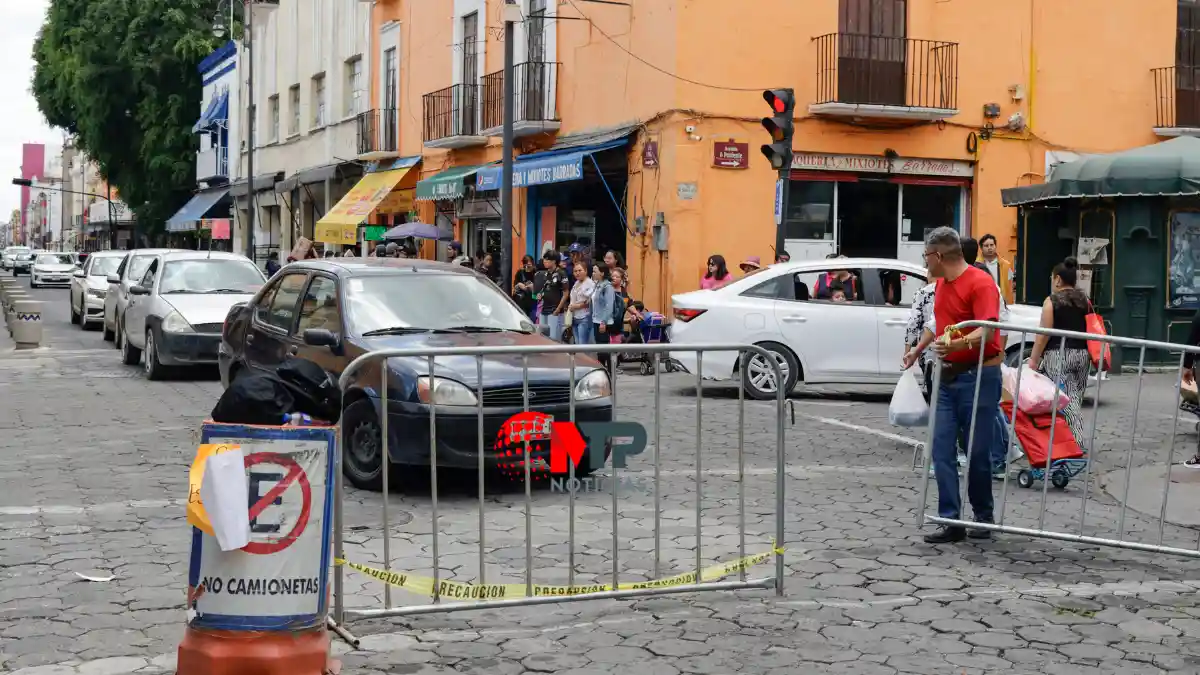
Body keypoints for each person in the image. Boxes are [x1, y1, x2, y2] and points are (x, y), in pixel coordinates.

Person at [901, 226, 1002, 544]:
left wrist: (958, 346)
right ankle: (951, 520)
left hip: (979, 377)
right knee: (941, 448)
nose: (924, 262)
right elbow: (939, 323)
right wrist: (918, 348)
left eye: (926, 256)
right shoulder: (941, 285)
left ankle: (983, 516)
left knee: (976, 451)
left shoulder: (981, 283)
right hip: (946, 377)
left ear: (939, 255)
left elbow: (987, 330)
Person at [1028, 257, 1091, 454]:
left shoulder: (1051, 301)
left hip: (1058, 355)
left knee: (1066, 401)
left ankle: (1077, 442)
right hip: (1082, 355)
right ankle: (1065, 438)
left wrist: (1033, 359)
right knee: (1074, 398)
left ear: (1057, 280)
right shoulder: (1085, 301)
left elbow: (1043, 334)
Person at [539, 251, 570, 341]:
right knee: (543, 337)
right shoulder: (546, 273)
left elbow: (566, 293)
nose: (544, 261)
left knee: (553, 339)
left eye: (547, 259)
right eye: (544, 259)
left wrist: (558, 309)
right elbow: (545, 288)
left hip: (555, 310)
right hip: (544, 309)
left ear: (554, 261)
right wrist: (540, 294)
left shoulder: (561, 273)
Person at [590, 263, 615, 370]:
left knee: (604, 348)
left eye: (595, 271)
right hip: (596, 319)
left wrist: (603, 322)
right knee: (600, 348)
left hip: (603, 321)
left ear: (602, 273)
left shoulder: (607, 287)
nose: (593, 273)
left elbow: (609, 306)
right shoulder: (597, 285)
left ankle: (608, 370)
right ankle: (602, 369)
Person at [979, 233, 1016, 305]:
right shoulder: (977, 264)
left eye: (992, 245)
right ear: (981, 248)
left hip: (1001, 304)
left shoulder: (1006, 265)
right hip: (983, 302)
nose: (989, 248)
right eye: (986, 246)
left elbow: (1010, 286)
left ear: (995, 246)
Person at [568, 261, 595, 345]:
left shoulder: (590, 283)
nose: (577, 273)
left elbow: (590, 301)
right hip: (574, 317)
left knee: (582, 344)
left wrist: (577, 306)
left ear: (586, 271)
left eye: (580, 270)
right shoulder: (576, 283)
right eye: (575, 271)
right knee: (577, 342)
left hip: (585, 317)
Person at [513, 255, 538, 322]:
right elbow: (515, 286)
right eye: (526, 264)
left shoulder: (536, 273)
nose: (528, 267)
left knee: (532, 320)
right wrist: (519, 285)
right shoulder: (520, 273)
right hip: (521, 301)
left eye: (530, 264)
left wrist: (533, 286)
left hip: (532, 301)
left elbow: (540, 287)